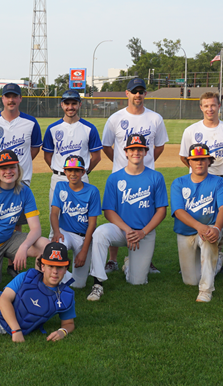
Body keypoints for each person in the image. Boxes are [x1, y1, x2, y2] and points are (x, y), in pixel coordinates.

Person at [86, 134, 168, 298]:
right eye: (132, 149)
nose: (136, 152)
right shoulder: (115, 178)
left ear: (145, 152)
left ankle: (129, 265)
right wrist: (128, 230)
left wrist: (142, 232)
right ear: (126, 152)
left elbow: (161, 211)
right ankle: (98, 282)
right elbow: (109, 210)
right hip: (121, 230)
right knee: (100, 233)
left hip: (144, 233)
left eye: (140, 149)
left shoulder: (156, 177)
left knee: (137, 281)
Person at [100, 78, 168, 275]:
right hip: (120, 176)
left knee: (144, 212)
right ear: (127, 93)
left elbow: (161, 144)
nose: (138, 95)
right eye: (134, 91)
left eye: (141, 91)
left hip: (145, 176)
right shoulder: (115, 118)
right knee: (117, 216)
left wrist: (146, 161)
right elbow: (106, 145)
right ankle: (113, 260)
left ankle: (146, 259)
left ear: (145, 94)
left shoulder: (155, 118)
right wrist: (121, 163)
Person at [0, 150, 50, 293]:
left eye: (12, 167)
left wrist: (24, 246)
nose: (8, 172)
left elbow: (36, 228)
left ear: (18, 169)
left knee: (45, 245)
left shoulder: (24, 191)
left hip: (9, 239)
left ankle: (38, 290)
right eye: (3, 168)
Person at [170, 144, 223, 302]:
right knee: (190, 281)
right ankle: (217, 261)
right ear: (188, 162)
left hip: (210, 228)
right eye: (195, 159)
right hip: (186, 232)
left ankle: (206, 290)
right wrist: (199, 227)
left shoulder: (219, 182)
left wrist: (217, 228)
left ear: (209, 161)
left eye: (203, 159)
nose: (199, 162)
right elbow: (178, 211)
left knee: (208, 236)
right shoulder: (179, 183)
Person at [42, 89, 102, 238]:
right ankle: (54, 257)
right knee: (54, 219)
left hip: (81, 179)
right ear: (62, 105)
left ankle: (83, 252)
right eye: (67, 103)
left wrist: (84, 172)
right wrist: (58, 170)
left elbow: (96, 157)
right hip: (59, 179)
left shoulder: (89, 128)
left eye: (74, 103)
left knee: (83, 218)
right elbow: (47, 155)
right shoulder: (52, 128)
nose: (70, 107)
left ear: (79, 105)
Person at [49, 155, 101, 289]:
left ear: (83, 172)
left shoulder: (92, 191)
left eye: (77, 170)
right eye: (69, 170)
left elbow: (92, 225)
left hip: (83, 237)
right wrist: (56, 232)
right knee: (57, 248)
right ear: (65, 172)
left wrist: (84, 250)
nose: (73, 174)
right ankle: (57, 276)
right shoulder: (60, 186)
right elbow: (54, 213)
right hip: (64, 233)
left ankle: (66, 275)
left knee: (78, 285)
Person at [0, 83, 42, 187]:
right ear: (2, 98)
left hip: (22, 181)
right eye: (8, 97)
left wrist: (20, 162)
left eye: (14, 96)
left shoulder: (31, 122)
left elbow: (35, 148)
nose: (11, 100)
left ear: (20, 98)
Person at [179, 91, 223, 183]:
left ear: (219, 106)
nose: (210, 109)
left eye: (213, 105)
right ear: (201, 107)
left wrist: (220, 170)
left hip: (221, 179)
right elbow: (184, 157)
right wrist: (198, 170)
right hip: (198, 180)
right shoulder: (190, 130)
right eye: (206, 106)